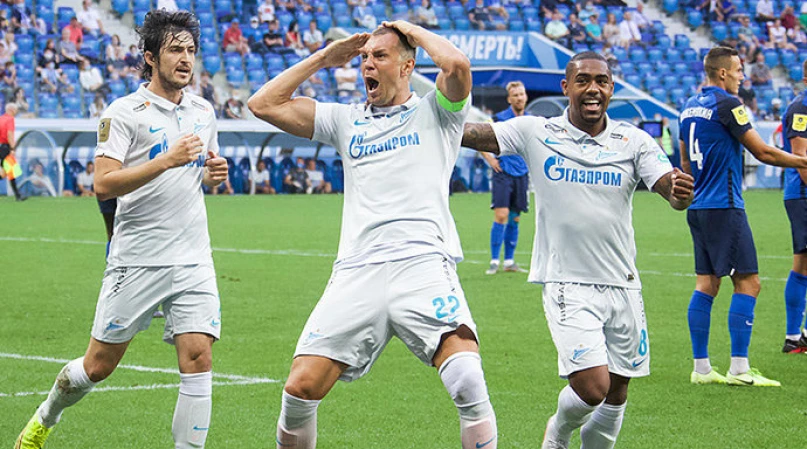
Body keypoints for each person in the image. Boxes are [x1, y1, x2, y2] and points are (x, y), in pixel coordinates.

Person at [248, 21, 498, 449]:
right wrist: (325, 58)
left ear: (407, 67)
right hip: (357, 269)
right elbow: (262, 104)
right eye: (364, 58)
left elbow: (456, 65)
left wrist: (410, 30)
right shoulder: (344, 120)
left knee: (467, 378)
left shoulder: (438, 111)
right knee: (299, 389)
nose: (367, 64)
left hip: (422, 263)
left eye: (379, 56)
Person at [14, 9, 229, 449]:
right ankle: (44, 418)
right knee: (98, 366)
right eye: (175, 50)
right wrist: (165, 160)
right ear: (150, 57)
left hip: (193, 257)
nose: (186, 59)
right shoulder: (123, 112)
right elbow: (104, 183)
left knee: (198, 357)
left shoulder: (204, 111)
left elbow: (200, 173)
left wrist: (213, 174)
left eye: (191, 50)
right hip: (138, 258)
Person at [462, 50, 693, 449]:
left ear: (612, 89)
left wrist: (679, 193)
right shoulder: (536, 131)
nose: (593, 89)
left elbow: (669, 189)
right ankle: (558, 432)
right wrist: (421, 112)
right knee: (591, 386)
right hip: (567, 282)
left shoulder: (633, 140)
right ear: (566, 87)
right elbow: (474, 133)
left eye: (601, 81)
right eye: (583, 80)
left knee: (617, 391)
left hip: (623, 282)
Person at [679, 46, 807, 388]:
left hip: (699, 206)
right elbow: (763, 152)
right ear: (722, 73)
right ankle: (739, 368)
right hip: (726, 206)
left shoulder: (688, 106)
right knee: (749, 283)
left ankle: (701, 368)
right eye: (738, 70)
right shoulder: (728, 104)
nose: (742, 76)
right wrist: (804, 161)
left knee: (706, 284)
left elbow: (685, 163)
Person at [481, 81, 529, 275]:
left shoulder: (530, 121)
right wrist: (490, 159)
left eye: (521, 94)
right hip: (503, 172)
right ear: (509, 99)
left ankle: (509, 261)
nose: (519, 98)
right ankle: (494, 260)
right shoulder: (499, 119)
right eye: (515, 95)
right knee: (501, 215)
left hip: (522, 173)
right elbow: (480, 137)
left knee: (515, 218)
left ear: (526, 96)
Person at [780, 59, 807, 353]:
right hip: (803, 193)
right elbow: (802, 160)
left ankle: (796, 338)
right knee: (802, 263)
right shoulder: (801, 108)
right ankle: (795, 336)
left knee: (803, 264)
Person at [0, 103, 23, 201]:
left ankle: (18, 195)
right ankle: (18, 195)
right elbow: (10, 134)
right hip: (6, 147)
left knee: (5, 172)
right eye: (16, 110)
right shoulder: (10, 120)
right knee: (10, 171)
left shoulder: (1, 118)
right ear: (12, 110)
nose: (16, 112)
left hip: (1, 146)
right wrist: (12, 148)